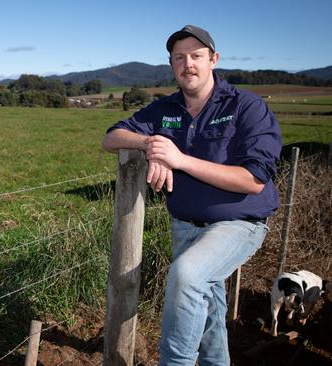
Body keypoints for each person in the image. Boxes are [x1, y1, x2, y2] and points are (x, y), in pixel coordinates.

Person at [102, 25, 282, 365]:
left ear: (213, 59)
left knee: (186, 276)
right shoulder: (164, 109)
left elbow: (254, 179)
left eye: (197, 56)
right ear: (171, 65)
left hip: (238, 222)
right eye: (179, 58)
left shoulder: (247, 107)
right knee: (210, 314)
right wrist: (153, 145)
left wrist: (180, 160)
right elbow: (111, 138)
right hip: (185, 225)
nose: (189, 65)